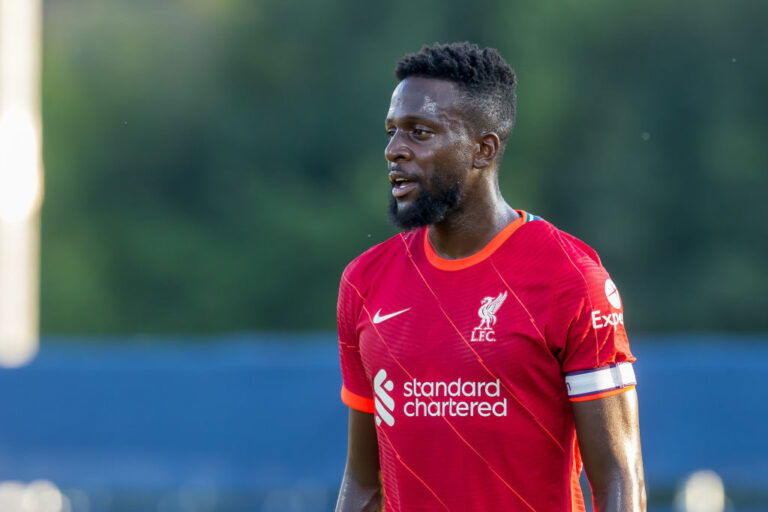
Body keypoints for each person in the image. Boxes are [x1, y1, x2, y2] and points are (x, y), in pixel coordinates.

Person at [335, 42, 646, 512]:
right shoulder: (364, 281)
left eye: (420, 132)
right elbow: (364, 482)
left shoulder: (571, 278)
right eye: (392, 131)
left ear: (483, 149)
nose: (395, 150)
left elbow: (620, 479)